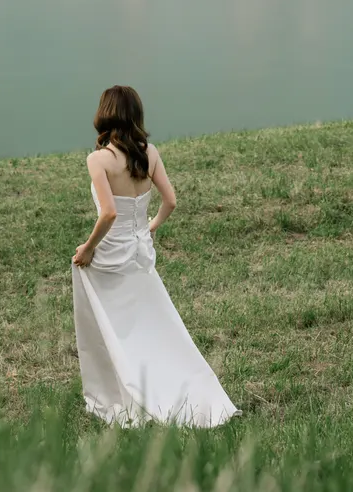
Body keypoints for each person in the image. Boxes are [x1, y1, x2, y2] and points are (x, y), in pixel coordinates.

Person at [71, 85, 238, 427]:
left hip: (110, 257)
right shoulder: (151, 153)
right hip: (139, 253)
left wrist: (88, 248)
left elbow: (108, 213)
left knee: (111, 327)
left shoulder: (98, 160)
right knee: (151, 321)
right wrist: (149, 228)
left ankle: (120, 391)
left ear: (104, 114)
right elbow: (170, 201)